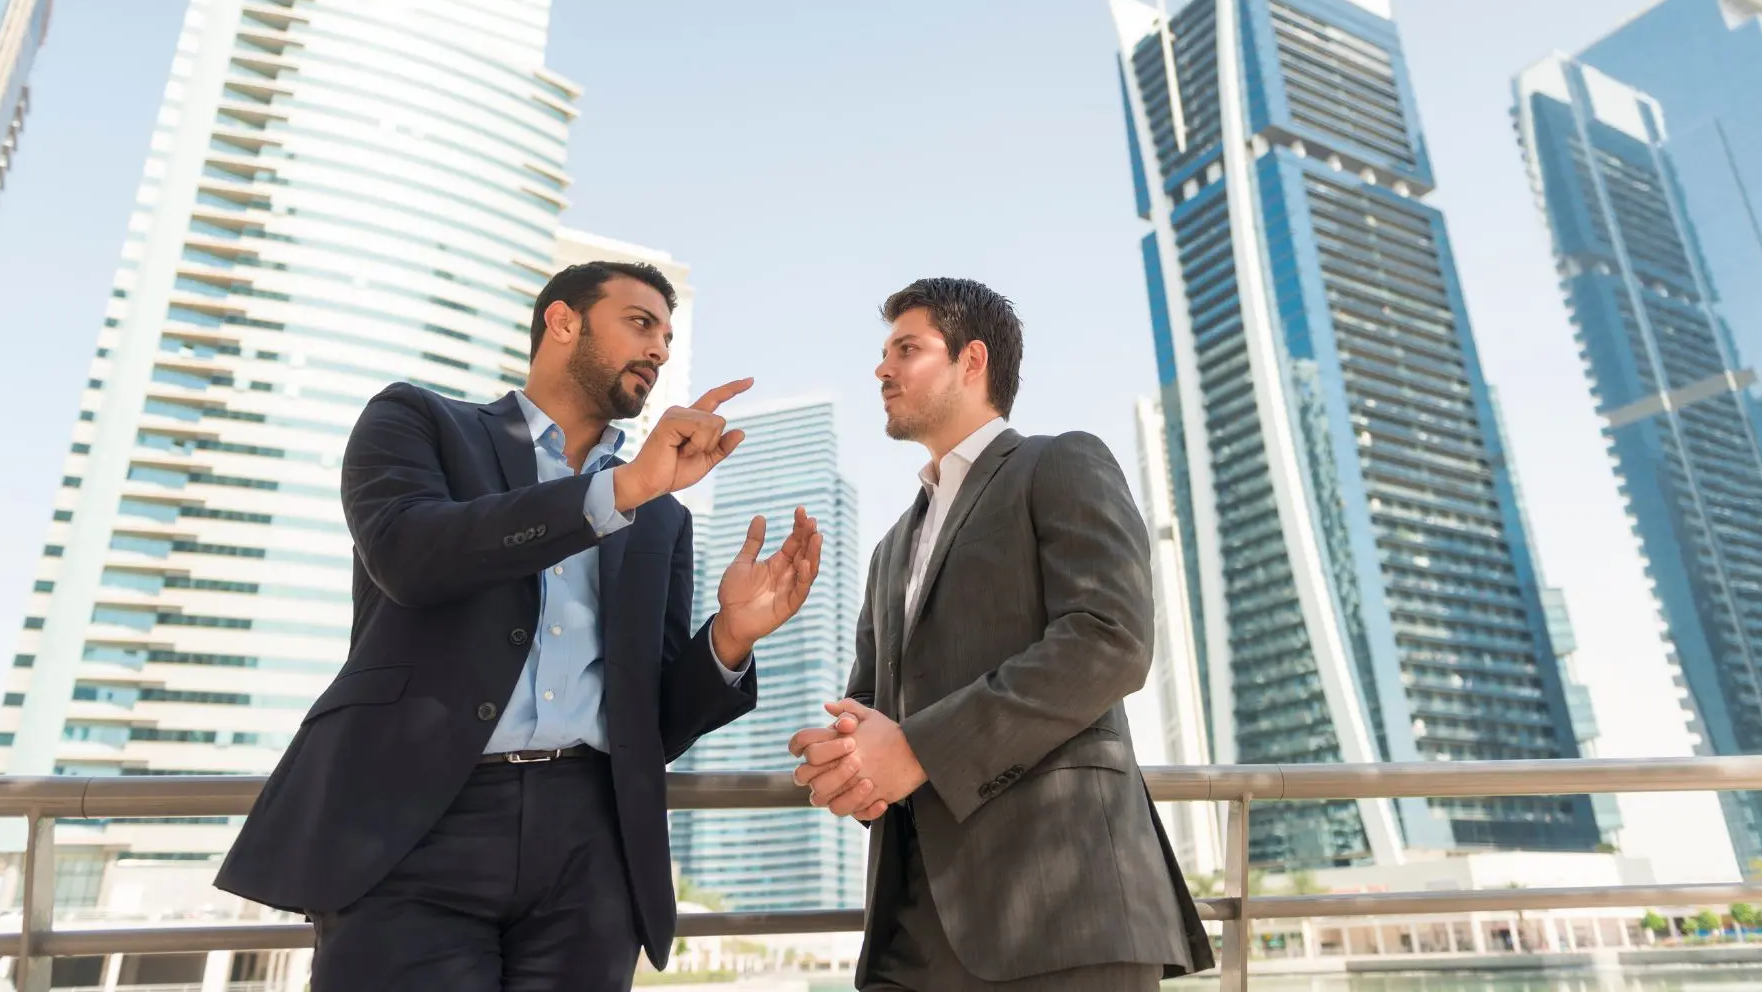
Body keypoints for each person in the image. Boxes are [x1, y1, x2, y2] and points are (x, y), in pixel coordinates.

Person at [216, 260, 822, 991]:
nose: (659, 349)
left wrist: (730, 637)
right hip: (414, 825)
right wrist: (618, 490)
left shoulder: (662, 516)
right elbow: (409, 557)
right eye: (640, 323)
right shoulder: (419, 421)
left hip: (591, 848)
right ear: (562, 322)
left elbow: (651, 725)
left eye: (667, 335)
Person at [787, 277, 1213, 991]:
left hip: (1062, 916)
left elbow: (1109, 639)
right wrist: (847, 759)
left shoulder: (1060, 462)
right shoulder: (890, 547)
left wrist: (917, 750)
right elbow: (874, 710)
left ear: (972, 360)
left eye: (906, 349)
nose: (881, 369)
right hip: (909, 930)